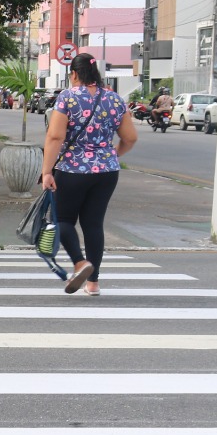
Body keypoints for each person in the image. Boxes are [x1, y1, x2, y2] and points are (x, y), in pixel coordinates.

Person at [41, 53, 137, 296]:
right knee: (93, 224)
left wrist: (46, 171)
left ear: (74, 74)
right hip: (106, 172)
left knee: (61, 220)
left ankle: (79, 262)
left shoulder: (68, 97)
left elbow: (55, 136)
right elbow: (130, 138)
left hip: (72, 170)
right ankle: (93, 283)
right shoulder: (115, 99)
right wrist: (111, 154)